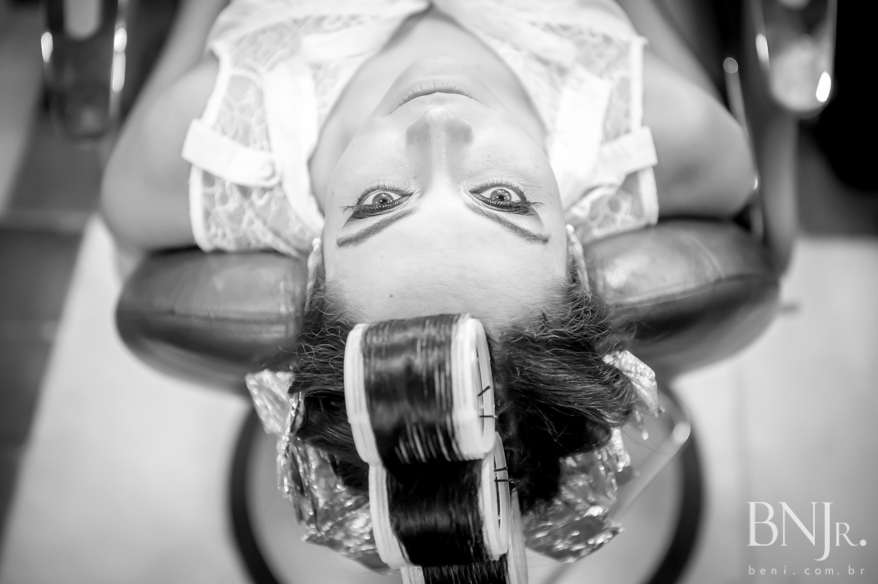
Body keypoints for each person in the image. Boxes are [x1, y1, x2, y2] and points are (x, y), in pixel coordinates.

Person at [101, 0, 755, 581]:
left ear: (318, 267)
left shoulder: (207, 145)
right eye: (502, 199)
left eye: (380, 202)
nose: (437, 124)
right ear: (575, 258)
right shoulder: (672, 139)